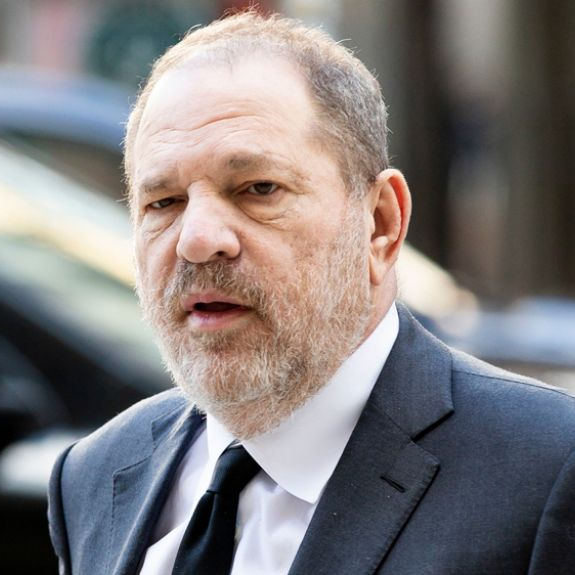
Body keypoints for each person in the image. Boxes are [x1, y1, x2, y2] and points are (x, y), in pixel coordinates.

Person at [48, 12, 575, 575]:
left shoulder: (548, 470)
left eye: (258, 189)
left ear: (380, 223)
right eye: (163, 203)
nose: (197, 240)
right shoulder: (94, 475)